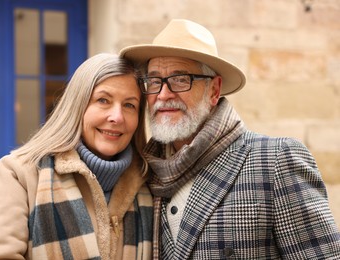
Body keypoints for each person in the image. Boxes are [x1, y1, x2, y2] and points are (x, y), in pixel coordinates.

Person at [120, 19, 340, 259]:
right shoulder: (142, 172)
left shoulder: (276, 160)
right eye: (154, 81)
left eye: (180, 79)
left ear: (214, 90)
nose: (163, 94)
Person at [0, 53, 153, 260]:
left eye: (129, 105)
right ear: (77, 106)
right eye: (103, 100)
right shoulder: (21, 174)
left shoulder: (149, 183)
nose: (117, 117)